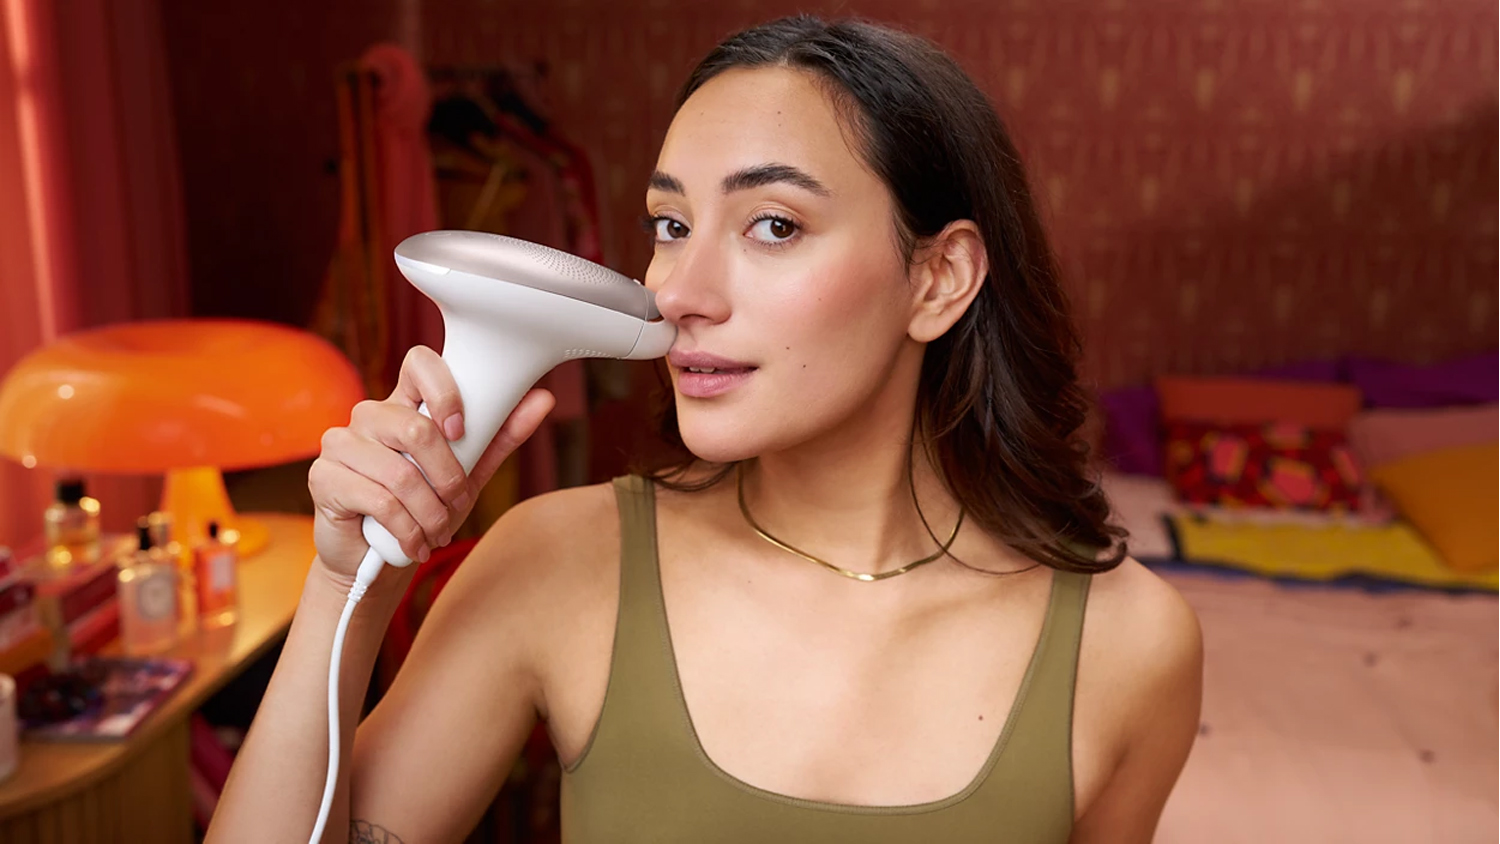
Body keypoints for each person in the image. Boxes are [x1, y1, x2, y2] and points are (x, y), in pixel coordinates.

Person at [209, 15, 1202, 843]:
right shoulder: (557, 562)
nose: (678, 291)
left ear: (938, 279)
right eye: (671, 225)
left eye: (774, 225)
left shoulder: (1128, 645)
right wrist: (347, 589)